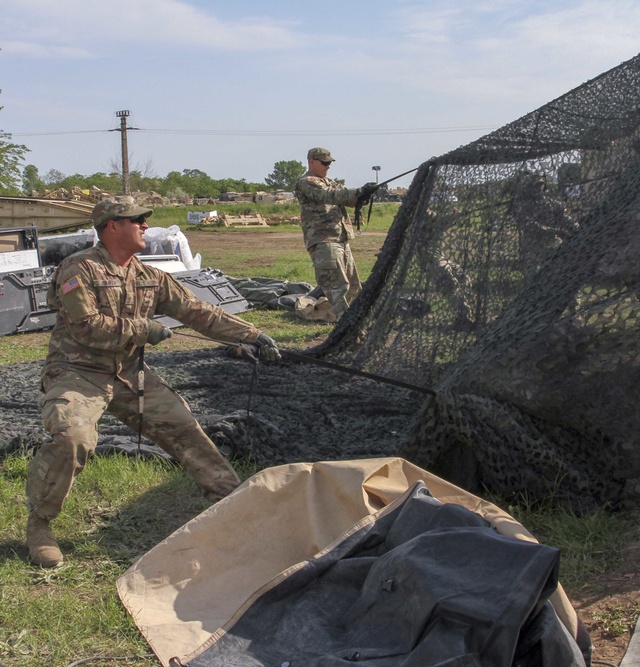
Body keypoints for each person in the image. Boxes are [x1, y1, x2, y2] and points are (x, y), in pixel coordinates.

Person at [25, 197, 281, 567]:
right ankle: (40, 526)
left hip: (129, 374)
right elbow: (86, 329)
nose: (145, 226)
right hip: (77, 373)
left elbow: (197, 312)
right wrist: (144, 329)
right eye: (138, 219)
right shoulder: (77, 270)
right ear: (112, 226)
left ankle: (233, 506)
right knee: (73, 439)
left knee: (186, 429)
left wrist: (250, 335)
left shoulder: (149, 276)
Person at [294, 147, 378, 322]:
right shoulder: (306, 182)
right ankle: (344, 324)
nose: (327, 166)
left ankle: (351, 320)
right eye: (324, 163)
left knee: (353, 285)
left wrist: (364, 195)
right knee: (337, 287)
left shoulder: (330, 182)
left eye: (329, 163)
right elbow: (328, 196)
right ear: (311, 161)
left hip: (341, 238)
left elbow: (345, 198)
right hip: (324, 240)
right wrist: (358, 192)